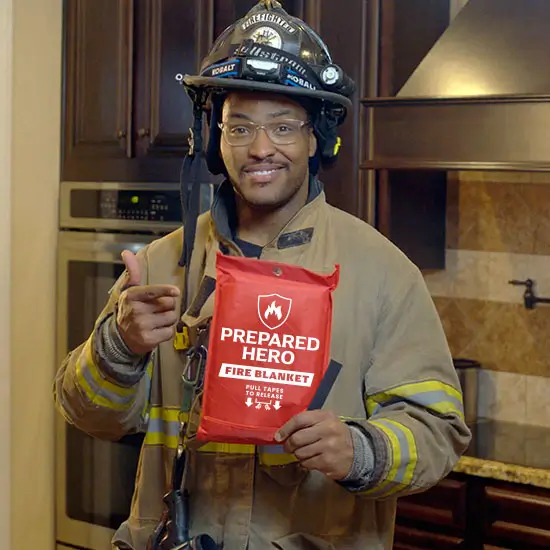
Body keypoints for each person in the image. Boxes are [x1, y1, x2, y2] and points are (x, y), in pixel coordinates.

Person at [53, 1, 471, 549]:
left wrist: (361, 451)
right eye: (240, 127)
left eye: (283, 127)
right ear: (214, 139)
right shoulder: (160, 264)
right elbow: (87, 414)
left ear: (316, 139)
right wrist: (119, 345)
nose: (260, 148)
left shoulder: (383, 273)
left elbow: (438, 432)